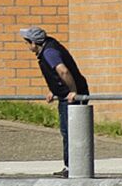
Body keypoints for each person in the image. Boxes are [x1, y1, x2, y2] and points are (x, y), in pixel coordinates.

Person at [22, 25, 92, 169]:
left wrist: (73, 91)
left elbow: (63, 71)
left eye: (27, 42)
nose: (27, 45)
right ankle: (70, 166)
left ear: (34, 43)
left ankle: (73, 167)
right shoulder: (49, 48)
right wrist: (54, 90)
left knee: (71, 131)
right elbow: (56, 74)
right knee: (67, 131)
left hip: (72, 96)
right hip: (65, 94)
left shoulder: (49, 52)